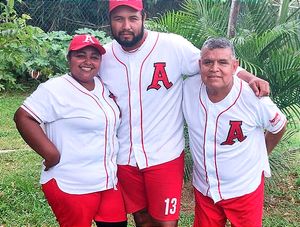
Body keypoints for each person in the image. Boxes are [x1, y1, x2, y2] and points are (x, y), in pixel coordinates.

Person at [100, 1, 270, 226]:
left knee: (166, 222)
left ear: (144, 17)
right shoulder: (104, 57)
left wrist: (250, 78)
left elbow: (213, 64)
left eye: (132, 18)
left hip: (164, 154)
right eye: (118, 19)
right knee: (141, 218)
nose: (126, 25)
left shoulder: (171, 46)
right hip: (124, 156)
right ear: (110, 21)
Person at [14, 34, 127, 227]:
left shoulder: (103, 86)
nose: (88, 62)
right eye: (80, 55)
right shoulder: (54, 89)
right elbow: (23, 117)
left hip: (107, 182)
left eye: (94, 56)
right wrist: (51, 155)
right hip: (71, 183)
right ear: (69, 58)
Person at [183, 37, 287, 227]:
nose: (214, 68)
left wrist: (262, 153)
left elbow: (279, 126)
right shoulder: (188, 88)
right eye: (208, 62)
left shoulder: (254, 98)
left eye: (222, 62)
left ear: (234, 66)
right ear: (200, 65)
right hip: (205, 188)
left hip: (244, 187)